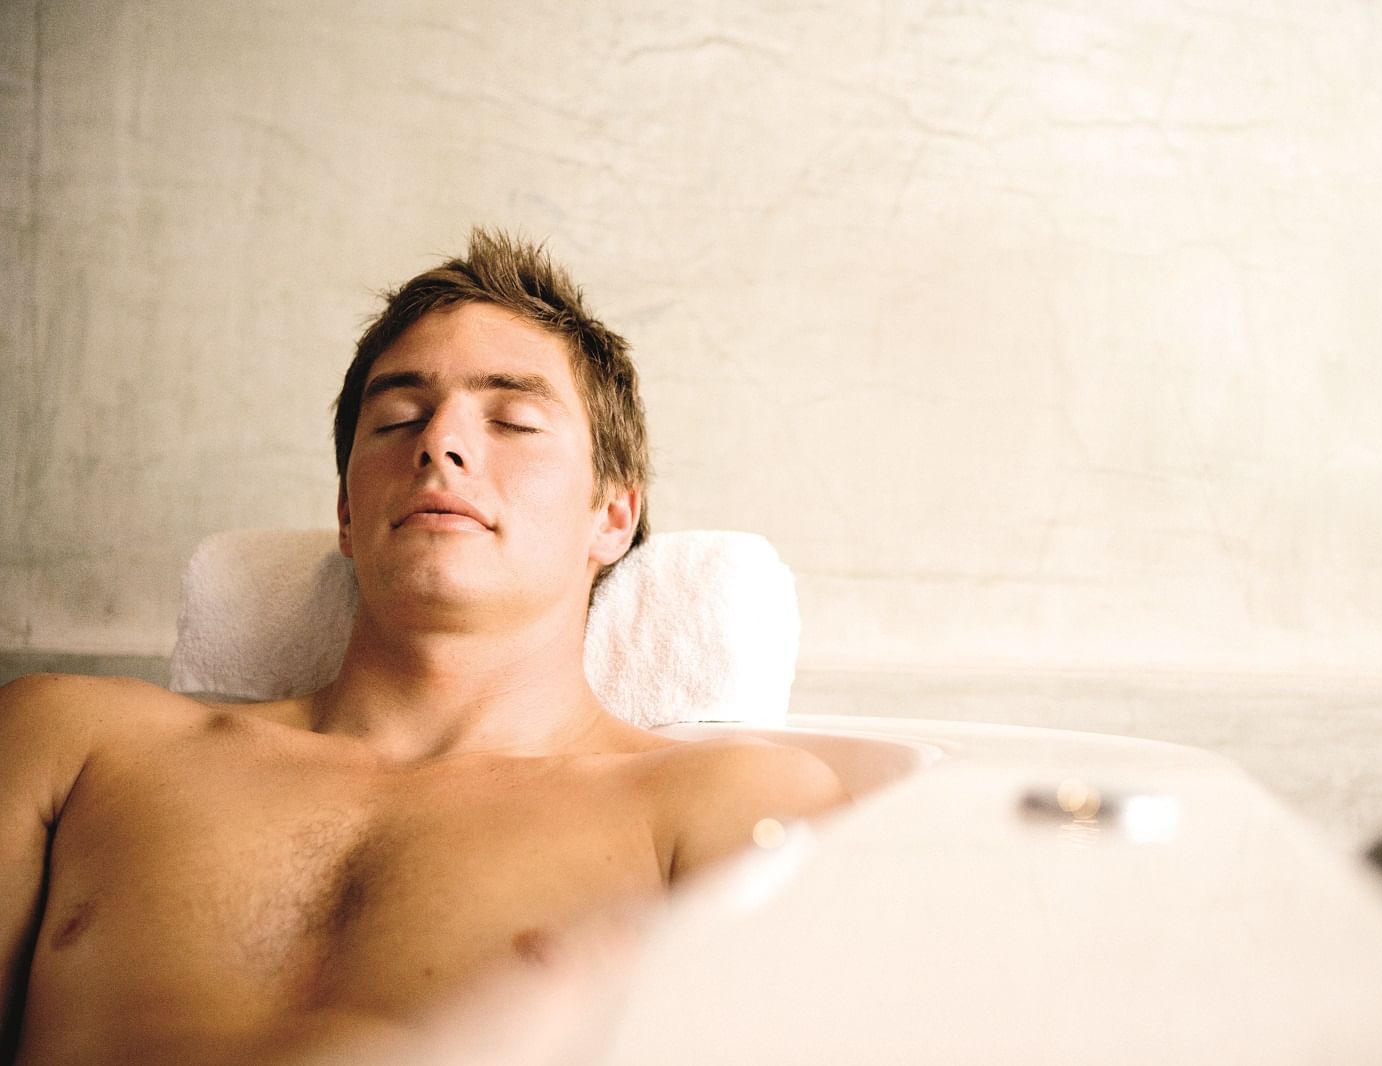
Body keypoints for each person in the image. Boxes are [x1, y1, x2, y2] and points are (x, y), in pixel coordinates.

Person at [0, 230, 848, 1064]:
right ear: (345, 510)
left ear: (612, 516)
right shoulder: (71, 744)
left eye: (513, 421)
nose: (437, 443)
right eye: (398, 416)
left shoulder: (724, 806)